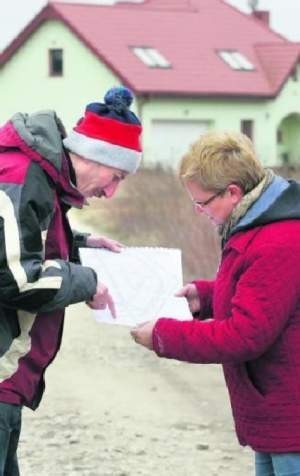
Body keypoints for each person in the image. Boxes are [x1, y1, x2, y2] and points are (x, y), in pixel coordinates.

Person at [131, 130, 300, 476]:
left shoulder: (278, 240)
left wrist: (165, 336)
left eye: (202, 202)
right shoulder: (257, 223)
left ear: (233, 192)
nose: (198, 212)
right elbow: (261, 294)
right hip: (275, 412)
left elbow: (245, 335)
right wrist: (204, 297)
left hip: (290, 415)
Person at [0, 86, 142, 475]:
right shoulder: (21, 176)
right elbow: (15, 279)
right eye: (115, 177)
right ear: (91, 155)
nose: (111, 192)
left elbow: (23, 240)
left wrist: (80, 245)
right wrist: (86, 279)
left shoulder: (41, 176)